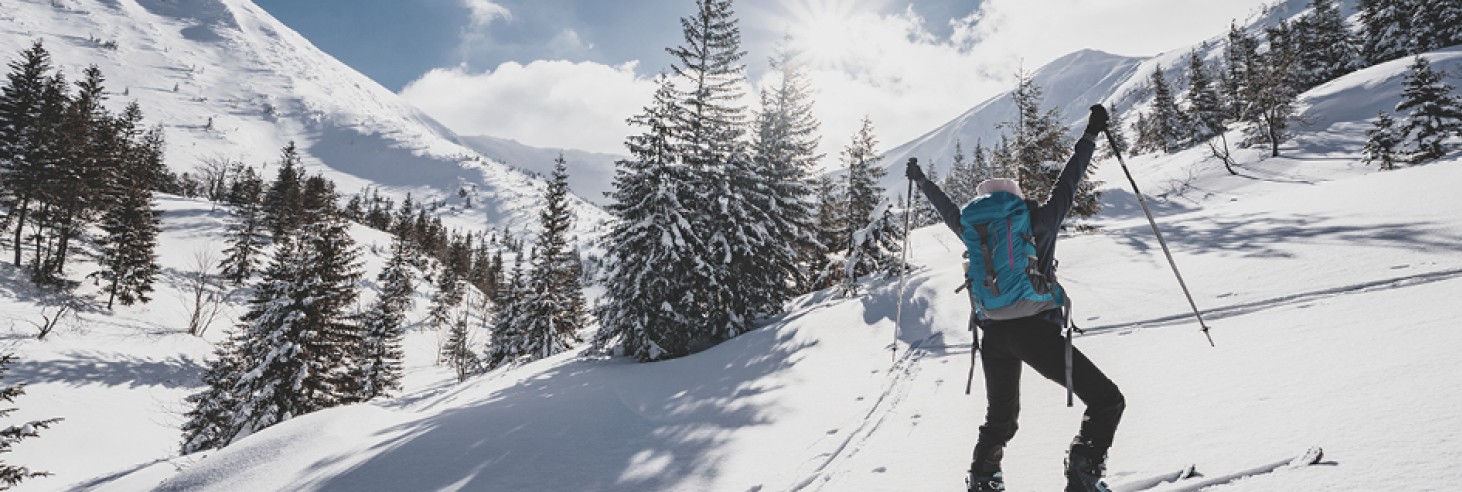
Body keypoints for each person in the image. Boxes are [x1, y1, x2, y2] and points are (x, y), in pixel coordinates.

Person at [905, 105, 1124, 492]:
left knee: (1001, 420)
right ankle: (1084, 474)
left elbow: (946, 210)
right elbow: (1069, 182)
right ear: (1017, 200)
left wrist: (921, 179)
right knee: (1107, 400)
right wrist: (1090, 134)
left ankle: (983, 482)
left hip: (994, 336)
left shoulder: (974, 229)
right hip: (1035, 331)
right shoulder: (1037, 221)